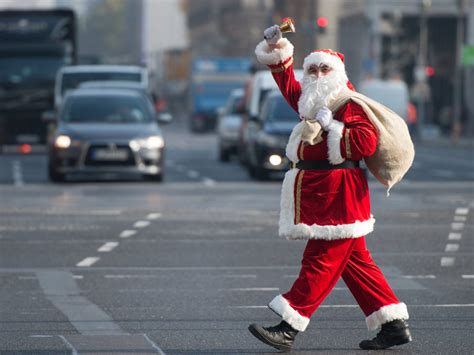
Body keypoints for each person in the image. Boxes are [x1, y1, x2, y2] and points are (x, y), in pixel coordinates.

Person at [247, 24, 412, 352]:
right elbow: (287, 84)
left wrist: (331, 126)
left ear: (336, 73)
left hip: (340, 195)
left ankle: (289, 326)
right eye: (312, 69)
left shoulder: (348, 102)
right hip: (322, 193)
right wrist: (277, 45)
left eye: (324, 69)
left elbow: (364, 142)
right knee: (356, 265)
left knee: (319, 261)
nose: (318, 74)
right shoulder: (312, 98)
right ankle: (392, 325)